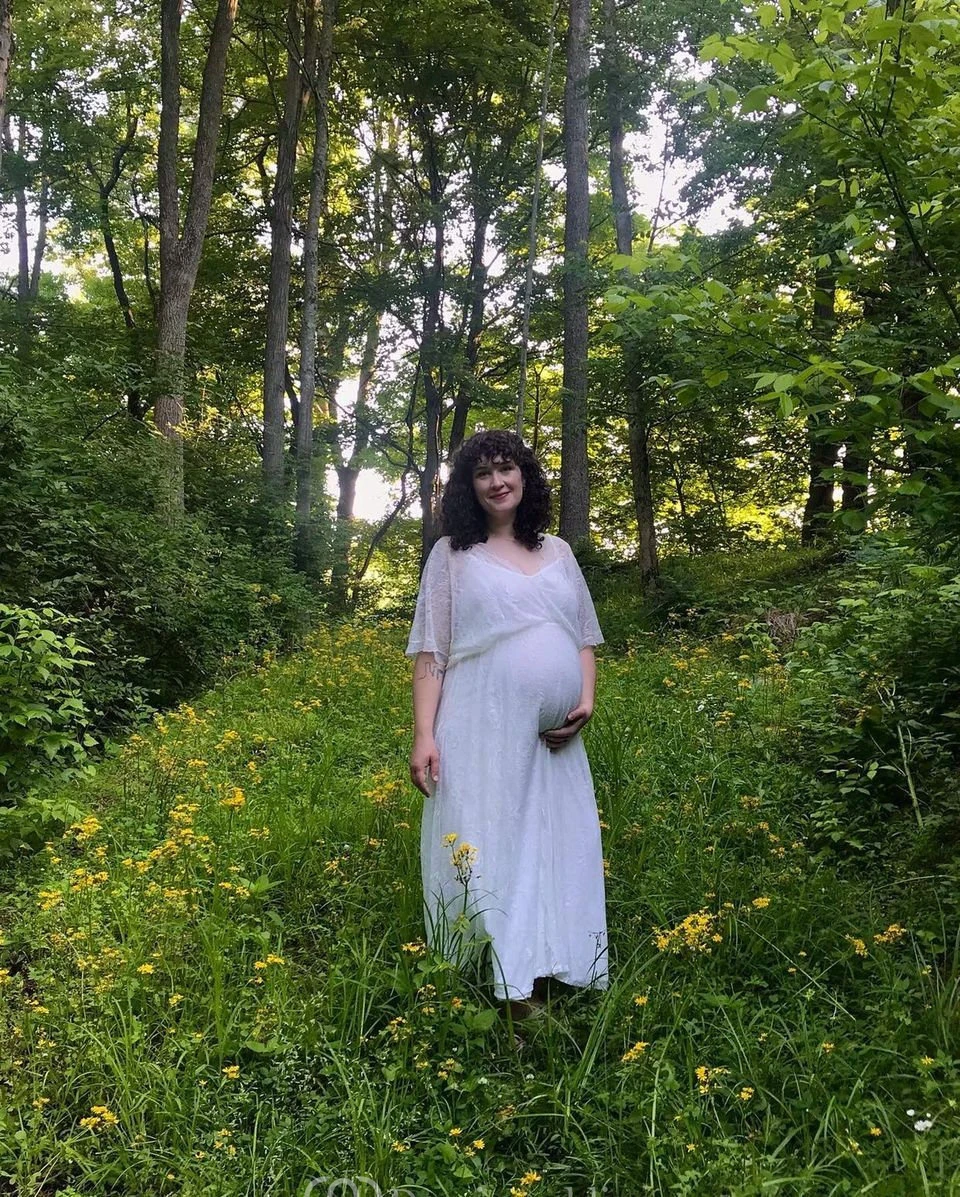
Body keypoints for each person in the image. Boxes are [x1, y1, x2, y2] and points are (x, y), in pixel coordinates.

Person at [406, 429, 608, 1021]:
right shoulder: (452, 556)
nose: (497, 482)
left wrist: (585, 700)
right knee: (495, 843)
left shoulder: (558, 552)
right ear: (468, 488)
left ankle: (548, 963)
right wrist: (424, 734)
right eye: (483, 473)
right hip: (480, 724)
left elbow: (583, 639)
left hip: (555, 744)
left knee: (554, 844)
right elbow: (431, 652)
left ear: (525, 476)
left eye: (506, 468)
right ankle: (513, 992)